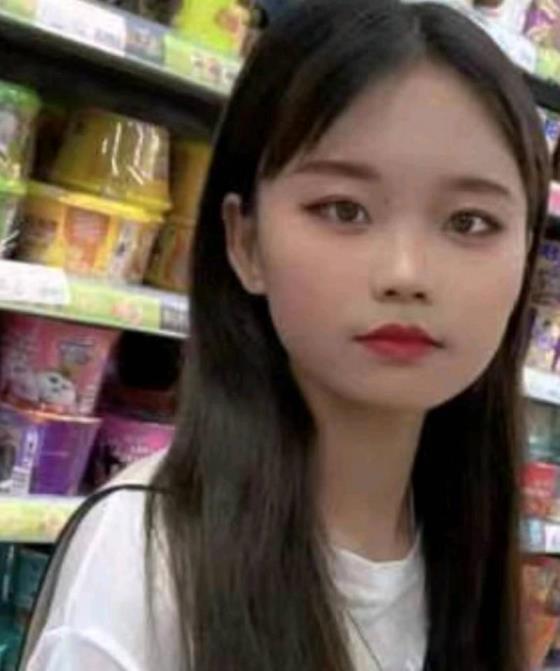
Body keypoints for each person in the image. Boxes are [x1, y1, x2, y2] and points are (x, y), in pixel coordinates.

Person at [20, 1, 550, 669]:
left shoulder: (469, 553)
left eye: (469, 222)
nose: (407, 274)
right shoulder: (147, 559)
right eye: (343, 210)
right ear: (245, 241)